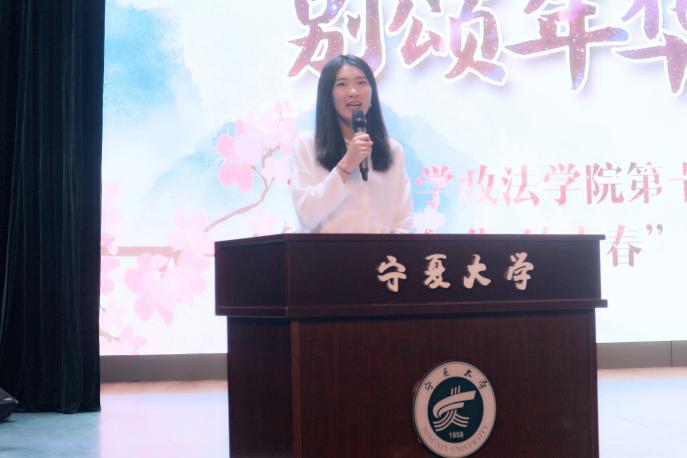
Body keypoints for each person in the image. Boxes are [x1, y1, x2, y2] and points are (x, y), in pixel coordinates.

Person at [290, 54, 413, 233]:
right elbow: (307, 215)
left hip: (383, 251)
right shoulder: (307, 145)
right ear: (328, 95)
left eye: (361, 83)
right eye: (342, 84)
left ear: (372, 93)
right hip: (325, 250)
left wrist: (389, 249)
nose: (353, 91)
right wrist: (347, 164)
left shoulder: (392, 150)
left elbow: (403, 220)